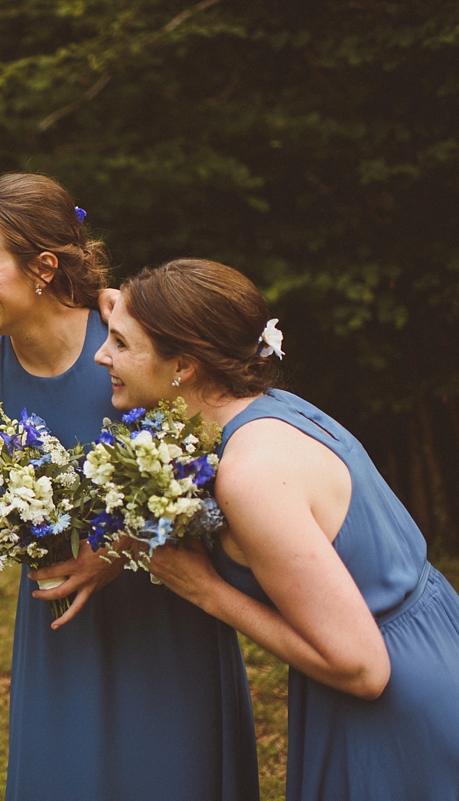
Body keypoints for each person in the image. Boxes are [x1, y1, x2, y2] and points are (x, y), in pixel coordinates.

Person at [0, 174, 259, 801]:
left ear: (44, 267)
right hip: (62, 626)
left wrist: (117, 553)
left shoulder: (134, 347)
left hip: (167, 605)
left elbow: (218, 469)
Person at [108, 259, 459, 801]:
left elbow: (363, 668)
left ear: (183, 364)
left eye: (121, 344)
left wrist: (207, 590)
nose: (102, 355)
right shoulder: (272, 409)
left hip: (394, 710)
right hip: (436, 641)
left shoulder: (250, 475)